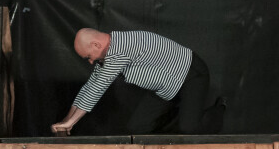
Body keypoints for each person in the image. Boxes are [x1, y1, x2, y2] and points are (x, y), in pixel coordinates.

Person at [51, 29, 221, 136]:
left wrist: (71, 123)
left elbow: (98, 88)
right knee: (138, 128)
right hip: (166, 87)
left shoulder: (119, 49)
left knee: (188, 129)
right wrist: (66, 120)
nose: (90, 61)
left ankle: (220, 108)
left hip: (191, 74)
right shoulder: (107, 56)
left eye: (88, 56)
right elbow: (90, 86)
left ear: (96, 44)